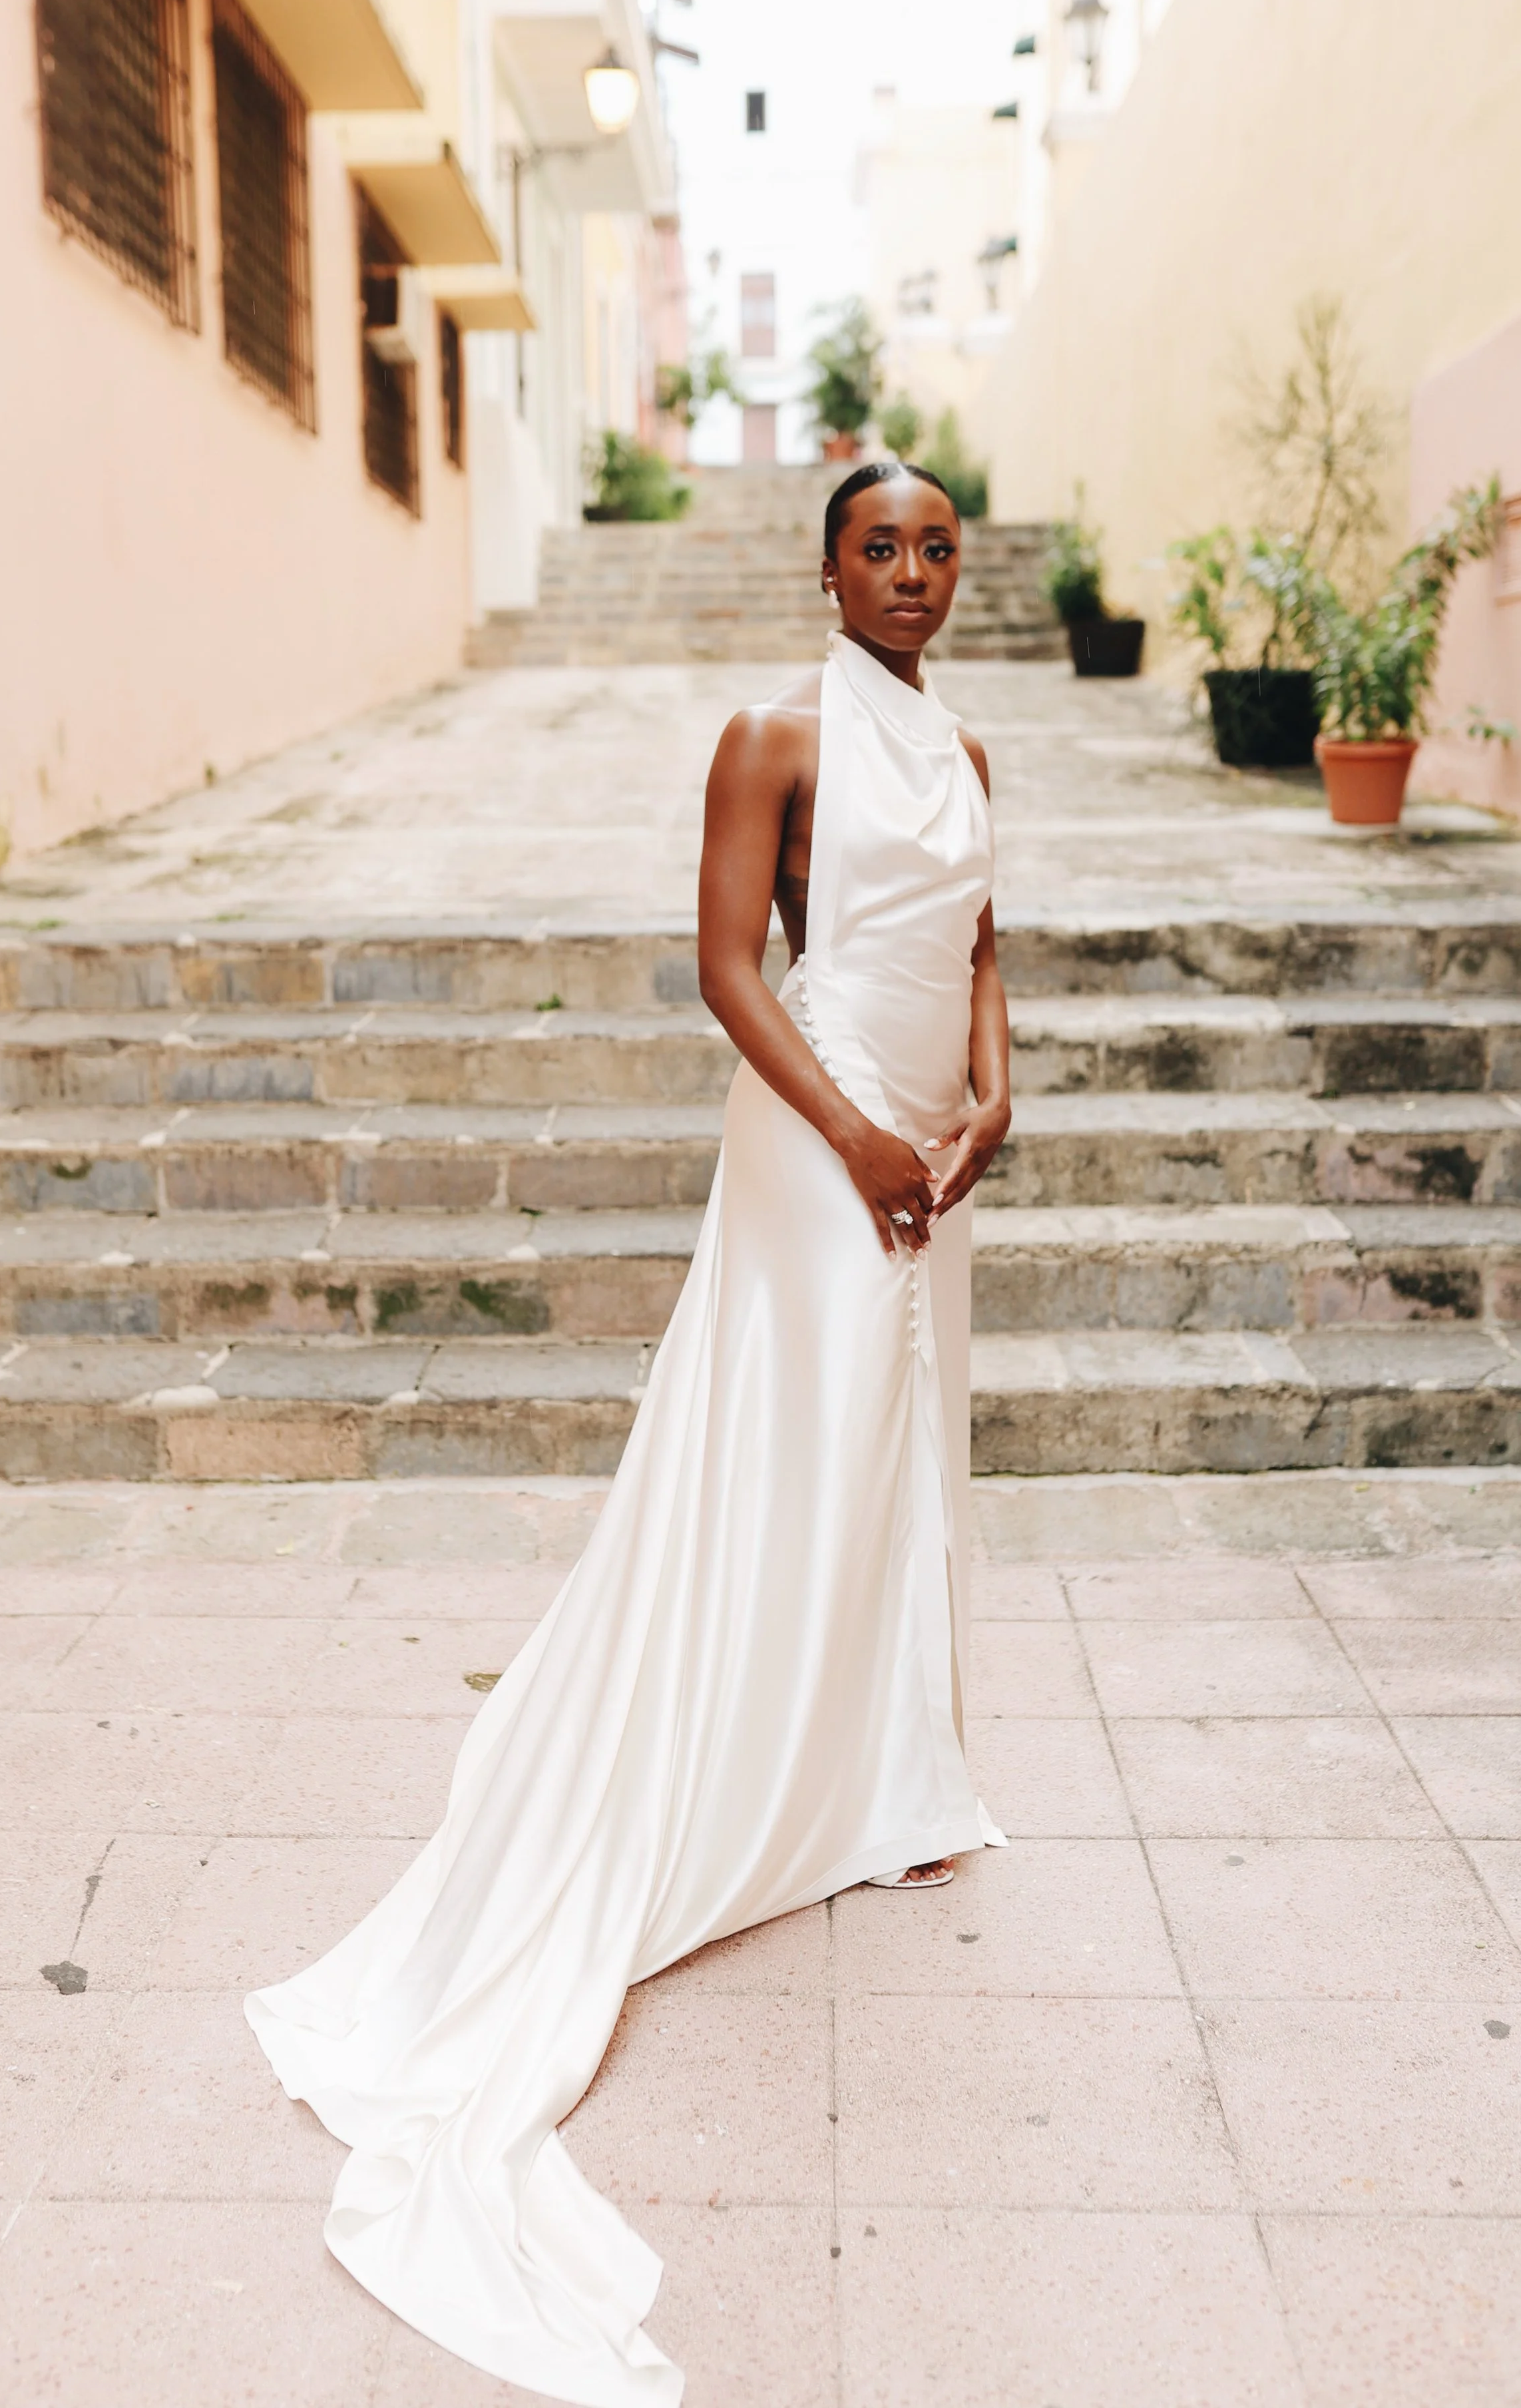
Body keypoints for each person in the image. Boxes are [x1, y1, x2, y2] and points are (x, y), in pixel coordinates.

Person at [246, 462, 1014, 2407]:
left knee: (882, 1450)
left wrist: (989, 1103)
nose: (910, 573)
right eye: (877, 545)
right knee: (801, 1422)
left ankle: (867, 1763)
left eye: (935, 547)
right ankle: (737, 1753)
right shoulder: (770, 735)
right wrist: (851, 1130)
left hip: (928, 1137)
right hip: (814, 1135)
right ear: (822, 564)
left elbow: (984, 949)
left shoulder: (970, 744)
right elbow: (726, 966)